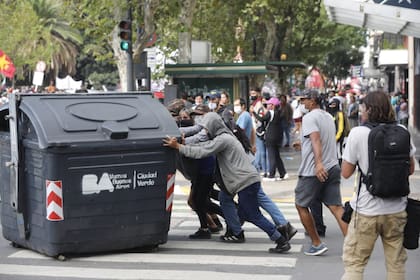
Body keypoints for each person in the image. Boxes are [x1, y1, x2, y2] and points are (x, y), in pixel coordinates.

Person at [163, 112, 291, 253]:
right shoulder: (224, 137)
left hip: (245, 181)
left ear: (213, 127)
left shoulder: (223, 140)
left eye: (206, 129)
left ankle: (280, 239)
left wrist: (179, 147)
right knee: (225, 199)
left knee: (253, 215)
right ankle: (236, 230)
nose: (204, 132)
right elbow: (204, 143)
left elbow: (202, 151)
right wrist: (184, 142)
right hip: (243, 181)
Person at [341, 91, 415, 280]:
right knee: (396, 264)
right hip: (397, 209)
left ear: (369, 109)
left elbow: (346, 172)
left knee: (355, 263)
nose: (361, 111)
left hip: (366, 210)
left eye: (363, 108)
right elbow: (411, 169)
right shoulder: (402, 132)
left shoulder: (358, 133)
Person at [295, 89, 348, 256]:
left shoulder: (310, 117)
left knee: (301, 204)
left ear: (312, 101)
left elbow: (316, 139)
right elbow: (319, 140)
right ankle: (353, 245)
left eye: (304, 100)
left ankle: (316, 243)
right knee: (336, 206)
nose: (302, 103)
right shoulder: (327, 116)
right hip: (332, 166)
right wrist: (302, 146)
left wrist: (318, 163)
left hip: (314, 170)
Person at [252, 97, 288, 181]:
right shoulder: (279, 113)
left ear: (272, 105)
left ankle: (271, 175)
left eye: (268, 104)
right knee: (276, 155)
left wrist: (253, 113)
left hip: (270, 137)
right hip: (278, 137)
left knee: (271, 156)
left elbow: (261, 119)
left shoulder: (270, 113)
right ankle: (283, 173)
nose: (267, 105)